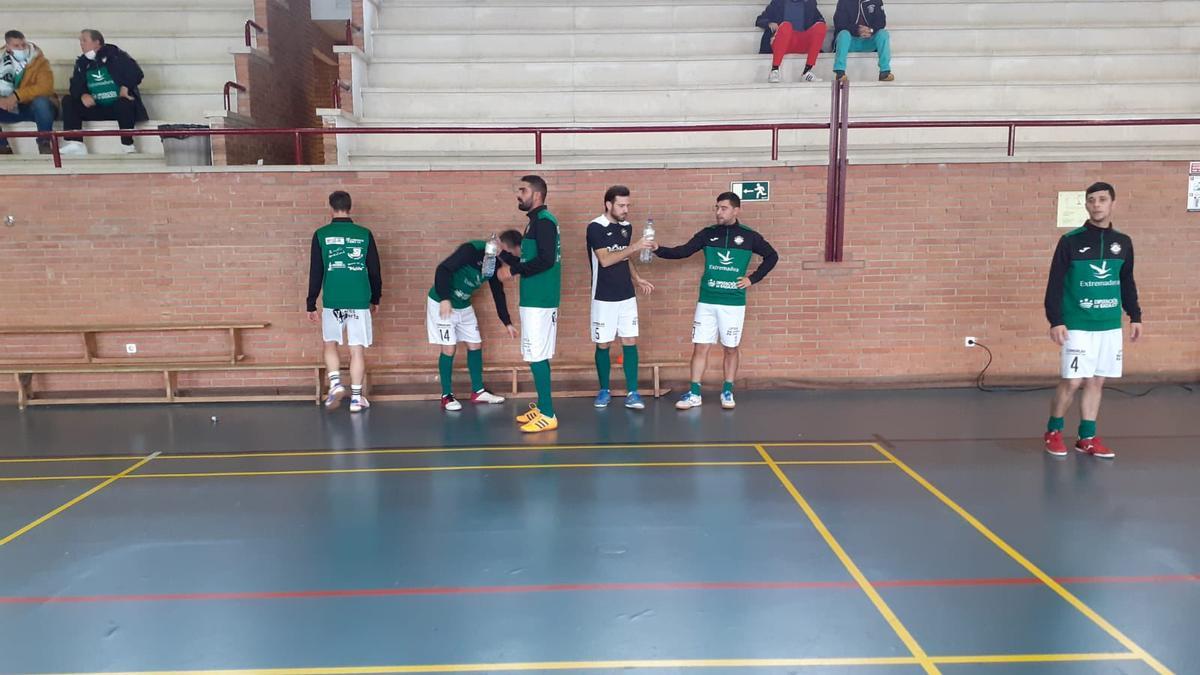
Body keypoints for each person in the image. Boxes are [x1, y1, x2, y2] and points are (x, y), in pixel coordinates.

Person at [1043, 182, 1142, 459]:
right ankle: (1053, 431)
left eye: (1102, 199)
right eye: (1091, 200)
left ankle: (1086, 437)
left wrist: (1135, 315)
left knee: (1097, 381)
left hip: (1109, 324)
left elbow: (1127, 282)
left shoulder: (1123, 243)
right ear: (1086, 205)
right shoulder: (1070, 241)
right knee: (1073, 381)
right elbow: (1055, 284)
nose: (1096, 204)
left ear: (1112, 203)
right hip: (1077, 324)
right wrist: (1055, 320)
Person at [653, 192, 779, 410]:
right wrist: (658, 249)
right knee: (700, 347)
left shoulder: (749, 236)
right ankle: (694, 394)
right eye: (717, 207)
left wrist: (752, 279)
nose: (719, 212)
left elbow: (772, 256)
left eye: (724, 208)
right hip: (707, 301)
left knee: (731, 348)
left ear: (736, 210)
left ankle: (727, 391)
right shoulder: (707, 234)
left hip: (733, 303)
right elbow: (682, 251)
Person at [428, 231, 523, 411]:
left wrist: (507, 322)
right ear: (503, 247)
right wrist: (445, 299)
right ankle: (446, 396)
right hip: (443, 301)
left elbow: (497, 292)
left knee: (475, 344)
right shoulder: (472, 249)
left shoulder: (495, 262)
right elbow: (443, 269)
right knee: (449, 347)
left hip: (463, 303)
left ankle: (478, 392)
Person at [306, 191, 382, 413]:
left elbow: (316, 271)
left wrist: (311, 302)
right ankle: (357, 399)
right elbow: (375, 271)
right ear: (350, 207)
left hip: (333, 299)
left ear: (331, 207)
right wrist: (375, 297)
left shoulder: (321, 234)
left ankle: (336, 382)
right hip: (359, 299)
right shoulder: (364, 234)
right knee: (356, 349)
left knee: (330, 343)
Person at [497, 175, 562, 433]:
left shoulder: (544, 222)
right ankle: (543, 405)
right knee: (537, 354)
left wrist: (512, 273)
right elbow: (529, 258)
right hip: (534, 298)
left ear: (536, 195)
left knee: (537, 355)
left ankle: (548, 414)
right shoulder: (534, 223)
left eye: (522, 190)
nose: (518, 194)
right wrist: (500, 254)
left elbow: (546, 261)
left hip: (541, 299)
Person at [586, 185, 655, 409]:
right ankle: (604, 390)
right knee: (604, 343)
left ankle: (632, 392)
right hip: (603, 296)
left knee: (630, 340)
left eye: (628, 205)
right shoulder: (595, 227)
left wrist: (637, 278)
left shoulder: (627, 227)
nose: (626, 209)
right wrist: (635, 247)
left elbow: (624, 257)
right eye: (621, 205)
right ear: (608, 204)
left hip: (626, 295)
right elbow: (606, 260)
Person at [59, 30, 148, 155]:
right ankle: (75, 143)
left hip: (116, 105)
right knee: (68, 101)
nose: (81, 44)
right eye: (80, 41)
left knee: (125, 103)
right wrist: (82, 94)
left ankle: (128, 145)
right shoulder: (81, 63)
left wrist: (125, 87)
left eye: (84, 40)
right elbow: (74, 85)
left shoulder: (117, 56)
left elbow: (136, 73)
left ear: (97, 42)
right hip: (96, 106)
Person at [0, 30, 57, 155]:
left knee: (41, 102)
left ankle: (44, 143)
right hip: (8, 108)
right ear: (8, 47)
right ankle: (3, 148)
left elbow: (45, 87)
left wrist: (16, 96)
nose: (21, 48)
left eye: (23, 45)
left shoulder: (39, 61)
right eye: (16, 46)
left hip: (33, 108)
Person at [756, 0, 827, 83]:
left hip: (802, 42)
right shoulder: (778, 2)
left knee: (821, 26)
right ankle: (775, 70)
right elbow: (760, 20)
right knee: (786, 25)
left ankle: (807, 71)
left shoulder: (809, 3)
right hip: (784, 41)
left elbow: (821, 20)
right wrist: (769, 23)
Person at [832, 0, 893, 82]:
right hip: (850, 42)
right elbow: (840, 23)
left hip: (868, 40)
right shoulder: (844, 1)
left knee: (883, 33)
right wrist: (858, 30)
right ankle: (840, 73)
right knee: (843, 34)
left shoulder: (876, 1)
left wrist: (871, 30)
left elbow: (881, 22)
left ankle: (884, 72)